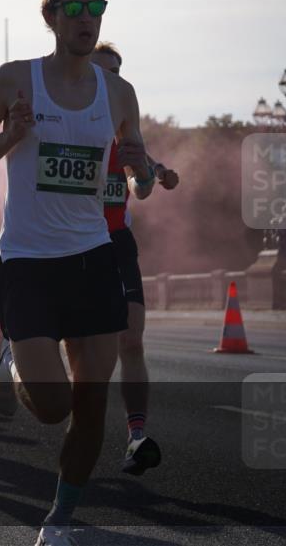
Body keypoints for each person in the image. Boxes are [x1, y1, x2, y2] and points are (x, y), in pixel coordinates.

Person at [0, 0, 154, 546]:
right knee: (51, 406)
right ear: (51, 17)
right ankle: (12, 356)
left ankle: (59, 520)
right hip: (28, 262)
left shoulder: (119, 93)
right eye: (74, 8)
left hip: (93, 257)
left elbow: (136, 182)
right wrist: (11, 138)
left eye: (96, 8)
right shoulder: (16, 79)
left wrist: (141, 169)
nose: (86, 18)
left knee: (90, 408)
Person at [92, 42, 180, 476]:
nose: (111, 80)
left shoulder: (126, 129)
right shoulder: (63, 123)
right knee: (82, 355)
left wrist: (150, 174)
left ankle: (136, 436)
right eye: (101, 71)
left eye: (117, 73)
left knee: (131, 340)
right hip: (66, 244)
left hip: (117, 243)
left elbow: (141, 185)